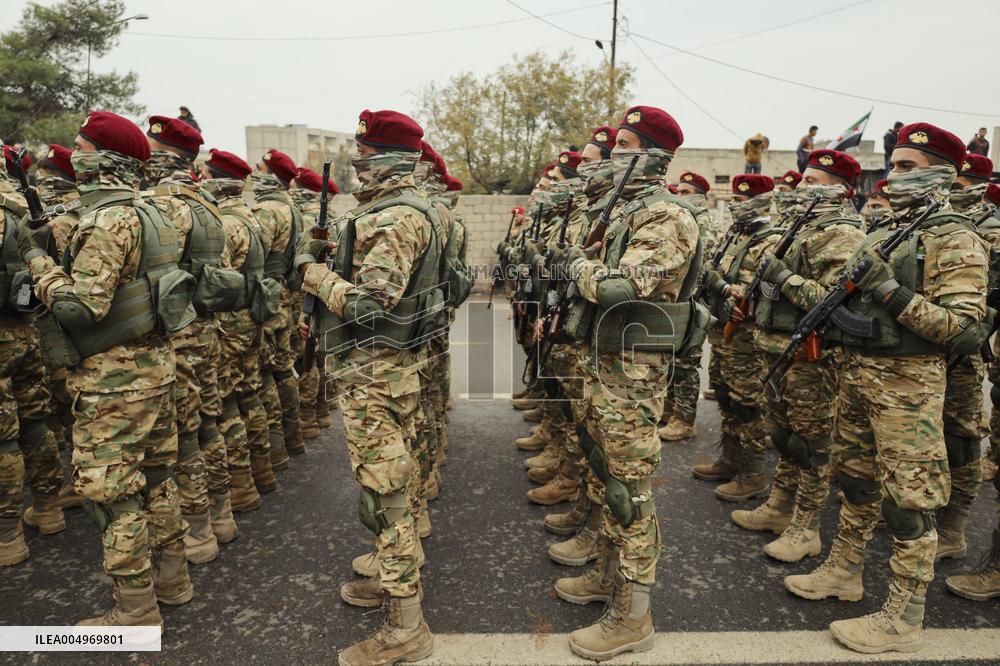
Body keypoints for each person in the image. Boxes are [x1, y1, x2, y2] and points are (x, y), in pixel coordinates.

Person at [783, 123, 988, 654]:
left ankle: (904, 618)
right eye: (893, 165)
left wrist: (890, 291)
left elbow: (963, 330)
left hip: (909, 388)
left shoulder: (957, 238)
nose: (893, 176)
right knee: (856, 483)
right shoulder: (885, 232)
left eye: (906, 167)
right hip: (859, 376)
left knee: (908, 504)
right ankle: (844, 570)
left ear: (942, 174)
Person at [20, 111, 193, 624]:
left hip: (113, 382)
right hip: (155, 367)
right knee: (158, 479)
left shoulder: (104, 221)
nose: (74, 156)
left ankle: (136, 612)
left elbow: (80, 308)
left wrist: (38, 261)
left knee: (112, 494)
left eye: (81, 148)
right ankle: (174, 581)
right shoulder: (154, 212)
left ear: (105, 160)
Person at [561, 105, 706, 660]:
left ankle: (635, 614)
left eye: (624, 145)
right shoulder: (622, 212)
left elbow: (619, 289)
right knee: (607, 475)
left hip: (633, 372)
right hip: (606, 361)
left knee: (631, 489)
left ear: (655, 156)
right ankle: (608, 573)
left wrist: (577, 266)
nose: (612, 153)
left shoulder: (666, 217)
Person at [294, 109, 436, 665]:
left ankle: (406, 625)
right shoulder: (408, 209)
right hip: (390, 367)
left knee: (387, 493)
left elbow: (373, 307)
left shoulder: (395, 218)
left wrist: (316, 276)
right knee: (395, 482)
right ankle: (392, 580)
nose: (358, 164)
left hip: (376, 369)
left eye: (367, 156)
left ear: (393, 161)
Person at [740, 150, 866, 564]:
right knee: (784, 434)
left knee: (812, 443)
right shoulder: (801, 227)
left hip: (812, 356)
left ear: (840, 190)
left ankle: (807, 526)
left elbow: (833, 300)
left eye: (814, 181)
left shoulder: (841, 233)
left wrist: (782, 276)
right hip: (778, 349)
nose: (802, 186)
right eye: (804, 178)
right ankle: (780, 505)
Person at [143, 115, 232, 565]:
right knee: (208, 422)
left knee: (182, 435)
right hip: (205, 330)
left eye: (151, 152)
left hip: (177, 333)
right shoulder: (207, 205)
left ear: (165, 160)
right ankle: (221, 513)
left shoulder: (165, 207)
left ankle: (197, 530)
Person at [0, 142, 73, 565]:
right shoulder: (23, 204)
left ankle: (7, 534)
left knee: (4, 438)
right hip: (27, 330)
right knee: (35, 422)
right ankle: (48, 507)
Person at [700, 174, 781, 501]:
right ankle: (730, 459)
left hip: (747, 335)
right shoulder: (735, 235)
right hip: (722, 332)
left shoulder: (772, 240)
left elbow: (768, 290)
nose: (737, 205)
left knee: (747, 404)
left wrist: (727, 290)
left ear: (762, 202)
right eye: (734, 199)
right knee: (724, 395)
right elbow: (714, 271)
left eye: (744, 200)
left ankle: (754, 473)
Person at [199, 149, 266, 520]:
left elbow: (218, 281)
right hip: (252, 316)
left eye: (205, 175)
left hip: (231, 321)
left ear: (216, 181)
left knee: (227, 404)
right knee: (249, 394)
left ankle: (241, 484)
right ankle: (261, 470)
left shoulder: (226, 224)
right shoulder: (250, 217)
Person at [252, 148, 305, 480]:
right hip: (285, 295)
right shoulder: (293, 209)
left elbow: (253, 256)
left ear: (272, 177)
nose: (253, 173)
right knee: (285, 369)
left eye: (259, 169)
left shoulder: (268, 211)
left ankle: (275, 447)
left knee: (266, 373)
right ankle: (292, 435)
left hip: (268, 298)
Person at [659, 170, 719, 441]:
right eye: (678, 191)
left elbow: (705, 269)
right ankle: (669, 409)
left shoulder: (704, 223)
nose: (679, 195)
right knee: (671, 359)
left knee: (686, 363)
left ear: (700, 196)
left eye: (686, 192)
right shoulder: (685, 218)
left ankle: (684, 419)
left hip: (693, 302)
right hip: (677, 300)